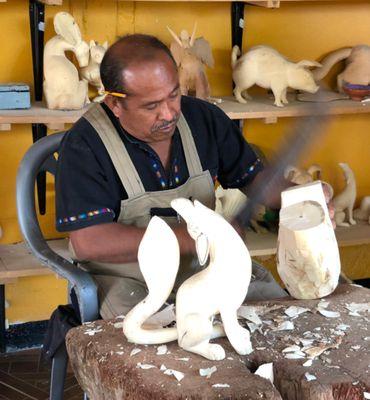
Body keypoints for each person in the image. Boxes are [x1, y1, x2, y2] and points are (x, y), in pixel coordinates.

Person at [55, 34, 290, 320]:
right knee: (158, 350)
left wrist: (303, 199)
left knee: (278, 322)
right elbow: (89, 241)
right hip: (129, 280)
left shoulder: (205, 120)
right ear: (115, 104)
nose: (168, 114)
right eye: (151, 106)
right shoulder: (85, 144)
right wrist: (188, 237)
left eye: (173, 95)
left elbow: (254, 179)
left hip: (207, 266)